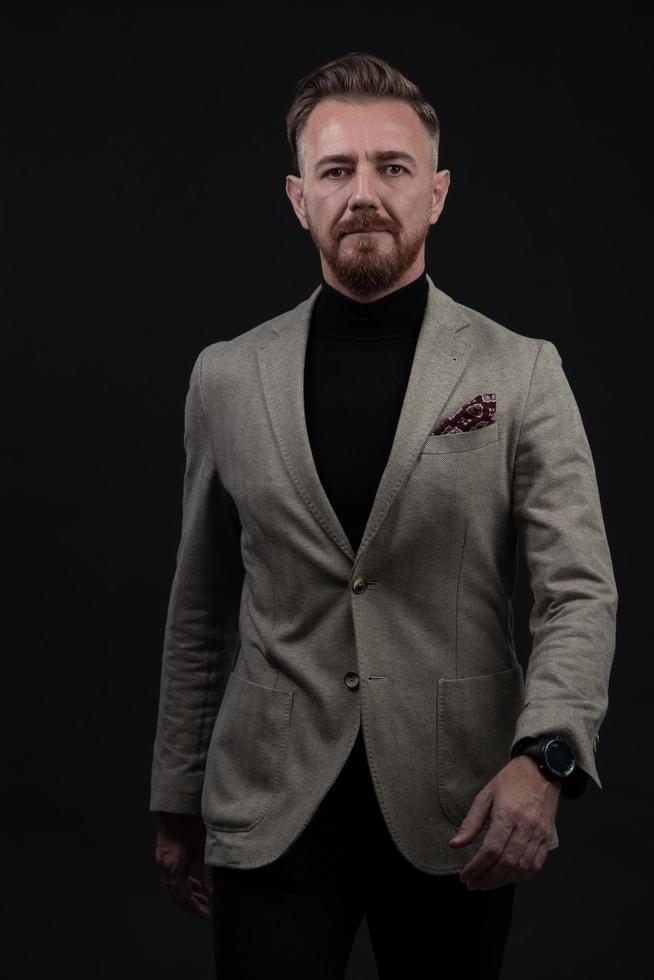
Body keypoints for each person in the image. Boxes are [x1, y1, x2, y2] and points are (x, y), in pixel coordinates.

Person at [150, 52, 617, 979]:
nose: (364, 193)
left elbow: (578, 590)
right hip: (268, 805)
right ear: (299, 198)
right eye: (337, 170)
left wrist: (548, 759)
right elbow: (201, 604)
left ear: (436, 192)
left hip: (463, 805)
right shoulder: (227, 377)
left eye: (391, 168)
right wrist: (176, 792)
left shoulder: (520, 372)